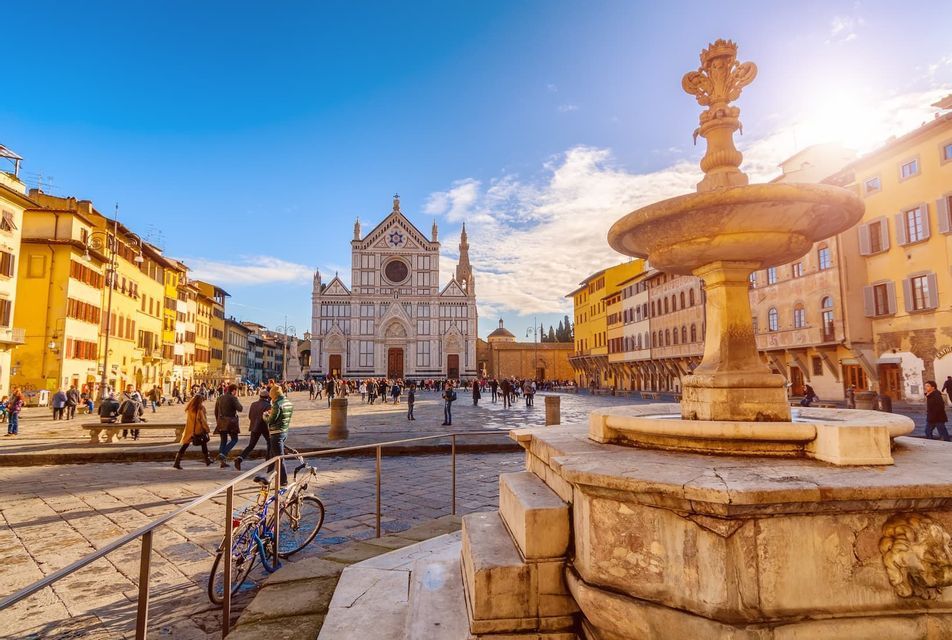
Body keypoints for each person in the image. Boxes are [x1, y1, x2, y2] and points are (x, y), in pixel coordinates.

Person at [234, 388, 271, 471]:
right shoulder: (268, 405)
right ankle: (268, 460)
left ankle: (240, 458)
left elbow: (250, 416)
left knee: (251, 445)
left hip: (254, 427)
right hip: (264, 427)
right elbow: (268, 418)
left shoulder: (253, 404)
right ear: (267, 397)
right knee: (270, 442)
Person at [173, 394, 213, 468]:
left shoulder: (190, 408)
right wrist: (207, 429)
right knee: (204, 443)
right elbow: (203, 420)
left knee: (185, 445)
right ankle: (207, 459)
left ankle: (177, 462)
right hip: (198, 429)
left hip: (189, 429)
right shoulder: (200, 408)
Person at [266, 385, 293, 485]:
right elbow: (282, 417)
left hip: (276, 433)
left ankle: (283, 481)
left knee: (279, 458)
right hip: (284, 431)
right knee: (273, 456)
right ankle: (268, 476)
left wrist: (265, 416)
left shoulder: (277, 404)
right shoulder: (288, 402)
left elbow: (271, 420)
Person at [213, 383, 243, 468]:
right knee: (234, 439)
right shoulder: (233, 398)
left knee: (223, 441)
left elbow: (216, 411)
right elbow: (240, 408)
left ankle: (223, 462)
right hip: (231, 423)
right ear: (234, 390)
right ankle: (223, 453)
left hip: (222, 422)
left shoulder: (219, 398)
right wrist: (237, 400)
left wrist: (218, 421)